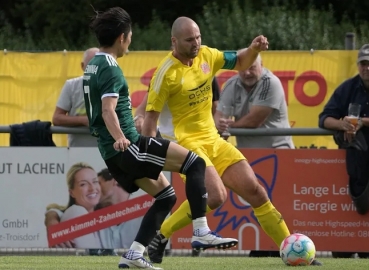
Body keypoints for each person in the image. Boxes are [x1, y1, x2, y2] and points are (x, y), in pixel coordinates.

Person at [142, 17, 322, 266]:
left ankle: (293, 250)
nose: (196, 43)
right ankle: (162, 234)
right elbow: (149, 120)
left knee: (256, 192)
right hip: (186, 145)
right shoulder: (165, 73)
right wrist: (150, 159)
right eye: (189, 40)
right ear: (174, 41)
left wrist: (254, 49)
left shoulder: (207, 55)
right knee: (216, 197)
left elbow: (240, 60)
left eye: (198, 37)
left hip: (213, 140)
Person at [83, 7, 237, 269]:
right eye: (130, 35)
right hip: (128, 146)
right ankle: (201, 231)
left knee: (166, 196)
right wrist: (121, 137)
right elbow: (108, 110)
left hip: (111, 153)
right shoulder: (111, 68)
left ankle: (134, 253)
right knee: (195, 162)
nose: (130, 39)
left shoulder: (93, 65)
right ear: (123, 37)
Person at [319, 43, 369, 259]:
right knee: (360, 206)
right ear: (358, 65)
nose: (367, 68)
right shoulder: (347, 88)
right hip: (357, 161)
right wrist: (344, 125)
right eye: (364, 63)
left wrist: (361, 122)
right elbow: (324, 119)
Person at [45, 168, 143, 252]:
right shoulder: (90, 213)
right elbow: (60, 212)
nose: (95, 189)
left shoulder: (143, 214)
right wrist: (52, 222)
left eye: (98, 183)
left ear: (116, 180)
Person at [214, 54, 294, 149]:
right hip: (246, 152)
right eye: (243, 68)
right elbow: (219, 115)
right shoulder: (231, 84)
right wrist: (219, 124)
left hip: (277, 150)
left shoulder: (270, 82)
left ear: (261, 64)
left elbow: (254, 120)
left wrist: (229, 126)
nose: (247, 73)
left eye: (252, 68)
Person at [45, 162, 102, 248]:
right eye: (83, 184)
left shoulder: (103, 215)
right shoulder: (76, 212)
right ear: (72, 193)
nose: (92, 188)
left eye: (95, 182)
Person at [52, 47, 99, 147]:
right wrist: (84, 120)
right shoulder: (71, 85)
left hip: (108, 154)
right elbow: (56, 118)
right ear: (82, 66)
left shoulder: (115, 87)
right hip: (77, 151)